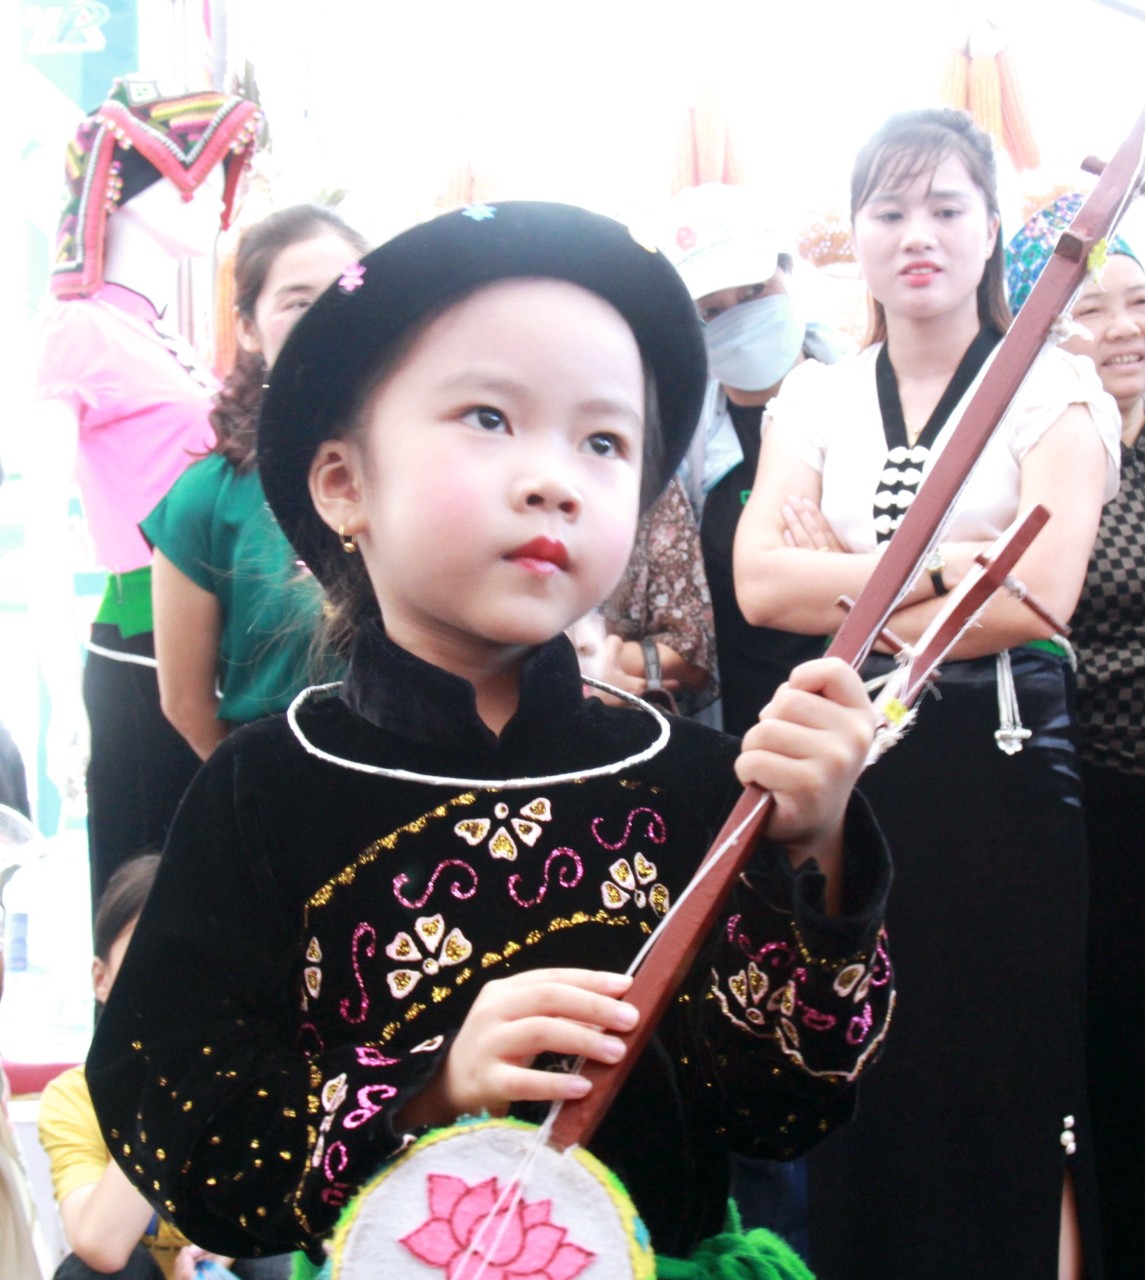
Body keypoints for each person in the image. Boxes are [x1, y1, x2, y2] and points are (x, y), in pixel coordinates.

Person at [85, 202, 893, 1273]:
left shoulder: (691, 776)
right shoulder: (266, 787)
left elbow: (781, 1103)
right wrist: (428, 1080)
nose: (554, 475)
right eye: (487, 417)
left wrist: (816, 846)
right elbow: (172, 1109)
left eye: (603, 439)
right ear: (342, 483)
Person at [733, 111, 1120, 1279]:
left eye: (947, 207)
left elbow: (1037, 599)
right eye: (889, 210)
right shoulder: (813, 394)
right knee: (860, 1072)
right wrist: (948, 566)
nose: (917, 235)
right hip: (852, 768)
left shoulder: (1056, 384)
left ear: (991, 227)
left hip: (1000, 773)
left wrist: (844, 577)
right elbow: (758, 583)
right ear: (850, 235)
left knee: (1008, 1080)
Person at [29, 79, 261, 901]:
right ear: (122, 193)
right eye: (186, 177)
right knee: (143, 906)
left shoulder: (171, 338)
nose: (210, 199)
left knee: (213, 900)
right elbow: (30, 523)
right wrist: (58, 700)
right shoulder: (78, 327)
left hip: (218, 639)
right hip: (136, 644)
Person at [1009, 195, 1145, 1277]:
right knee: (1096, 1049)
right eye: (1087, 309)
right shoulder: (1033, 456)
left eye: (1139, 298)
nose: (1119, 326)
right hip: (1073, 800)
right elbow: (1001, 605)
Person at [143, 205, 369, 760]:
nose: (327, 318)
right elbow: (186, 704)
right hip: (281, 801)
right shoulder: (206, 498)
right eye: (298, 301)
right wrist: (255, 799)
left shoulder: (434, 471)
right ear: (247, 327)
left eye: (349, 292)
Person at [37, 854, 289, 1280]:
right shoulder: (72, 1098)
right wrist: (171, 1086)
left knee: (274, 1258)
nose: (172, 983)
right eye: (148, 957)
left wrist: (221, 1249)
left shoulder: (256, 1081)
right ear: (101, 979)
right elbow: (101, 1246)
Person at [658, 184, 848, 739]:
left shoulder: (863, 404)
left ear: (789, 274)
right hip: (735, 724)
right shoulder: (681, 443)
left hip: (857, 707)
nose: (739, 316)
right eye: (712, 310)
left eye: (755, 289)